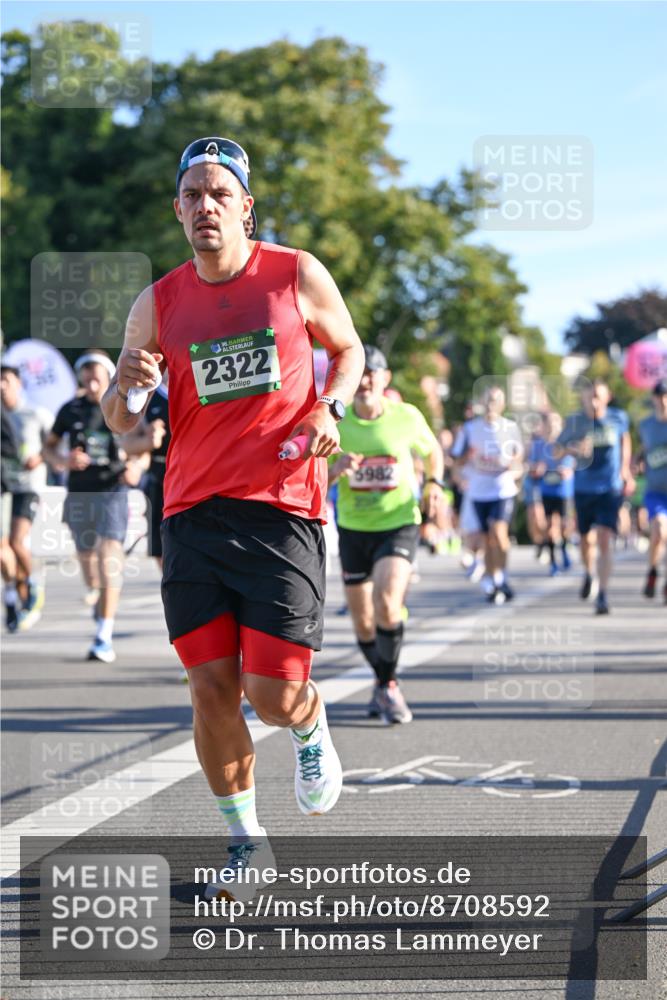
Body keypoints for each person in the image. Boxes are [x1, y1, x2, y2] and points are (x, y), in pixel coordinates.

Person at [100, 136, 364, 895]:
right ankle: (246, 841)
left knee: (272, 696)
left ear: (246, 206)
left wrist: (329, 406)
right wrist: (127, 384)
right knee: (211, 688)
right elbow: (124, 422)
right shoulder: (157, 302)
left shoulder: (294, 273)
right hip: (189, 511)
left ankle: (310, 725)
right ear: (177, 210)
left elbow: (344, 350)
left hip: (282, 508)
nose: (205, 207)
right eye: (192, 196)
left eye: (220, 194)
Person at [327, 344, 444, 724]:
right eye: (359, 374)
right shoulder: (335, 422)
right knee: (363, 620)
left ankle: (389, 685)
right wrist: (336, 468)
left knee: (388, 602)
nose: (364, 381)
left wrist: (435, 484)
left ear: (385, 379)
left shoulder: (406, 416)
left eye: (372, 374)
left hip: (398, 523)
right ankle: (383, 683)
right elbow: (309, 476)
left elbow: (433, 451)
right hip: (353, 527)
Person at [43, 350, 130, 661]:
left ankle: (103, 635)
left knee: (110, 558)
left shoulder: (121, 405)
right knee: (88, 563)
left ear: (108, 377)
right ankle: (98, 598)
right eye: (87, 376)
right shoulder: (70, 409)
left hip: (113, 490)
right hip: (80, 493)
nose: (92, 382)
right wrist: (64, 460)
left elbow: (143, 439)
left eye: (97, 376)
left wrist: (137, 462)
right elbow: (49, 447)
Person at [556, 378, 634, 615]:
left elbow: (625, 440)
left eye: (598, 396)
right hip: (583, 488)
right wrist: (574, 449)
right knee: (586, 540)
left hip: (609, 488)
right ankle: (588, 573)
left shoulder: (618, 418)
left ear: (607, 397)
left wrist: (625, 470)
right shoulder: (574, 422)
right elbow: (556, 450)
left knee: (604, 538)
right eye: (590, 396)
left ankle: (602, 594)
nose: (594, 401)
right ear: (584, 398)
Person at [451, 386, 524, 603]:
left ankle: (502, 576)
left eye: (496, 401)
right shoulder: (470, 429)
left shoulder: (510, 428)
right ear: (482, 403)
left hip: (502, 488)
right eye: (488, 400)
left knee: (499, 535)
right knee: (486, 540)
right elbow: (456, 460)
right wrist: (465, 463)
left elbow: (519, 461)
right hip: (479, 490)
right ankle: (494, 580)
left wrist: (513, 469)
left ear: (503, 405)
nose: (491, 405)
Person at [0, 363, 54, 631]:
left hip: (28, 485)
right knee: (2, 550)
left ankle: (32, 582)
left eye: (6, 380)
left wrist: (41, 456)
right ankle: (13, 592)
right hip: (3, 486)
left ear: (18, 383)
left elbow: (56, 444)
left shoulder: (35, 414)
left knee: (16, 540)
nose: (1, 385)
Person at [121, 371, 170, 568]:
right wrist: (148, 441)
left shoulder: (198, 382)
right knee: (160, 546)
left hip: (199, 475)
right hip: (160, 479)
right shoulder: (147, 394)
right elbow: (127, 444)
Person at [527, 411, 574, 575]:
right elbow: (531, 467)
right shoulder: (538, 446)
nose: (552, 427)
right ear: (544, 426)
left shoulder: (565, 444)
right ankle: (553, 562)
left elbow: (572, 463)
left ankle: (564, 547)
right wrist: (537, 469)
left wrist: (567, 470)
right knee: (549, 526)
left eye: (555, 423)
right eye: (549, 423)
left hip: (563, 491)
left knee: (564, 525)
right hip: (546, 490)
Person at [638, 379, 667, 602]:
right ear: (654, 399)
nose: (664, 401)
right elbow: (644, 449)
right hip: (655, 489)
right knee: (658, 529)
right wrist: (636, 461)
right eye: (661, 396)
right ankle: (653, 570)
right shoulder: (646, 425)